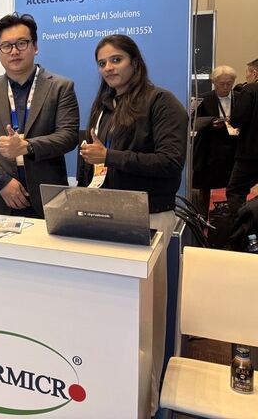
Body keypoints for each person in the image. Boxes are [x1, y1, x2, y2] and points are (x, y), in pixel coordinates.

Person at [77, 34, 186, 415]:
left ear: (135, 62)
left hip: (148, 218)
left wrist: (111, 156)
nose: (108, 68)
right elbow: (93, 162)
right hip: (104, 216)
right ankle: (108, 393)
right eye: (102, 63)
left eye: (116, 60)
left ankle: (145, 403)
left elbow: (170, 164)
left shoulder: (162, 102)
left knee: (145, 319)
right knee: (110, 314)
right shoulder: (103, 106)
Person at [0, 13, 79, 217]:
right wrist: (1, 181)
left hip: (46, 199)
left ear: (35, 46)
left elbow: (68, 136)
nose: (14, 51)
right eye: (6, 46)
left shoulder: (61, 87)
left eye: (21, 43)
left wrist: (27, 146)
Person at [191, 65, 239, 220]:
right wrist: (210, 122)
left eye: (229, 83)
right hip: (209, 149)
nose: (225, 87)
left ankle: (232, 219)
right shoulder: (204, 98)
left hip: (233, 148)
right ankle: (202, 219)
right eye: (221, 84)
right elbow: (192, 121)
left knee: (234, 186)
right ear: (214, 82)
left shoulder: (240, 97)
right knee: (204, 187)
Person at [227, 66, 258, 217]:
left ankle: (242, 226)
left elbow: (237, 119)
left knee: (236, 191)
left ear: (255, 73)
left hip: (250, 153)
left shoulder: (250, 90)